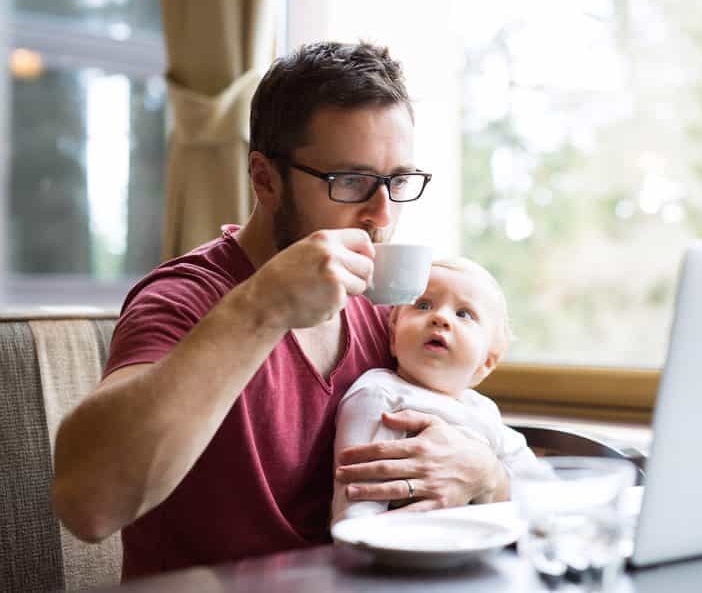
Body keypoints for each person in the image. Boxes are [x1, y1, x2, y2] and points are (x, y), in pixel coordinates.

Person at [51, 42, 511, 580]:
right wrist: (262, 307)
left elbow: (466, 457)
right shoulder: (184, 299)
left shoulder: (384, 311)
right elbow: (88, 505)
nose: (382, 214)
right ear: (265, 178)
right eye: (352, 181)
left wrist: (485, 474)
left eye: (398, 182)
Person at [332, 257, 545, 526]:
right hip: (400, 553)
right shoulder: (378, 394)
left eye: (464, 314)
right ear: (393, 337)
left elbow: (538, 488)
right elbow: (355, 504)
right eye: (423, 304)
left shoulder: (484, 411)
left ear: (486, 362)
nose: (440, 317)